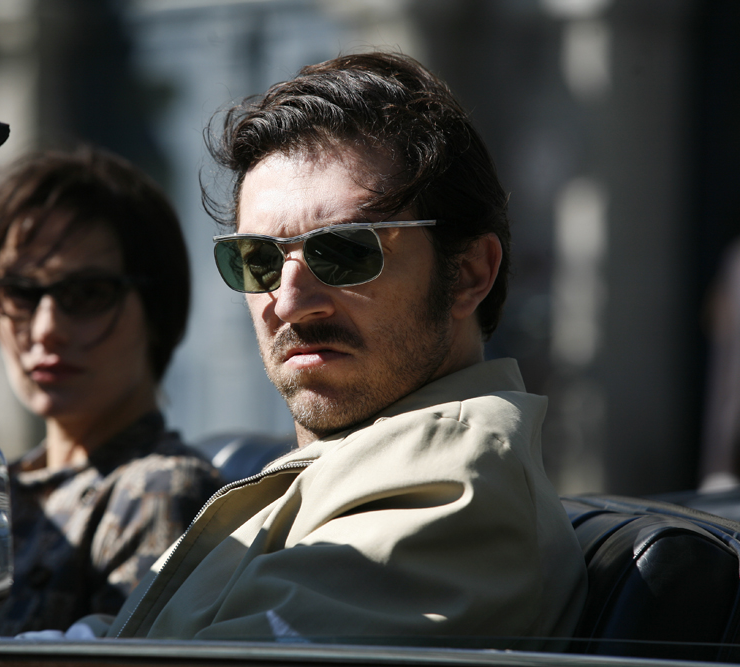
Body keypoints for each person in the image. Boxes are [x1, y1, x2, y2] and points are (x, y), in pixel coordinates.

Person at [74, 52, 587, 642]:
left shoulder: (451, 485)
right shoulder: (354, 466)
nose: (290, 302)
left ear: (469, 273)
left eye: (345, 251)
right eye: (256, 259)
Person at [0, 148, 222, 636]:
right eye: (20, 292)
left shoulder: (160, 488)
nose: (46, 329)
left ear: (156, 311)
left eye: (89, 293)